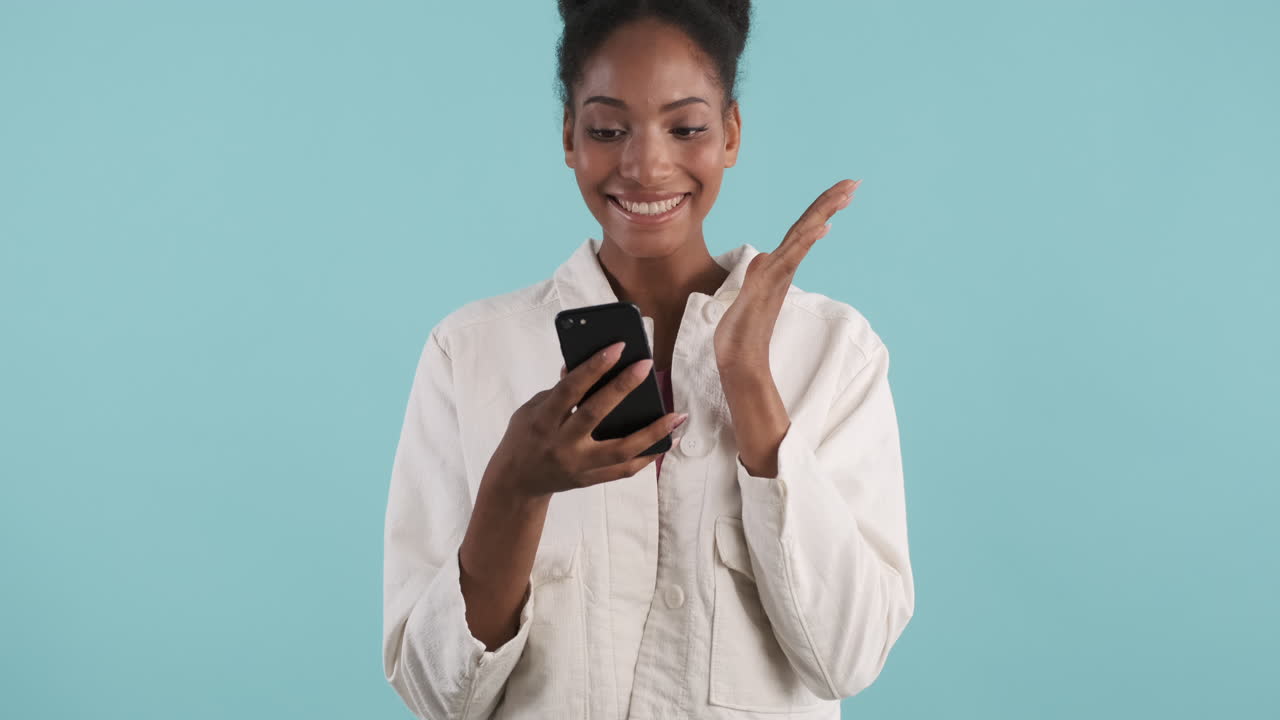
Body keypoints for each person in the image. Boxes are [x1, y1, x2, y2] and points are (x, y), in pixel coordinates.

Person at [381, 1, 915, 718]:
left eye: (686, 127)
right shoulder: (471, 353)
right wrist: (514, 488)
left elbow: (846, 658)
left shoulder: (833, 353)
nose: (646, 165)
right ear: (569, 136)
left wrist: (751, 384)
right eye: (607, 129)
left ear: (729, 134)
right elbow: (437, 695)